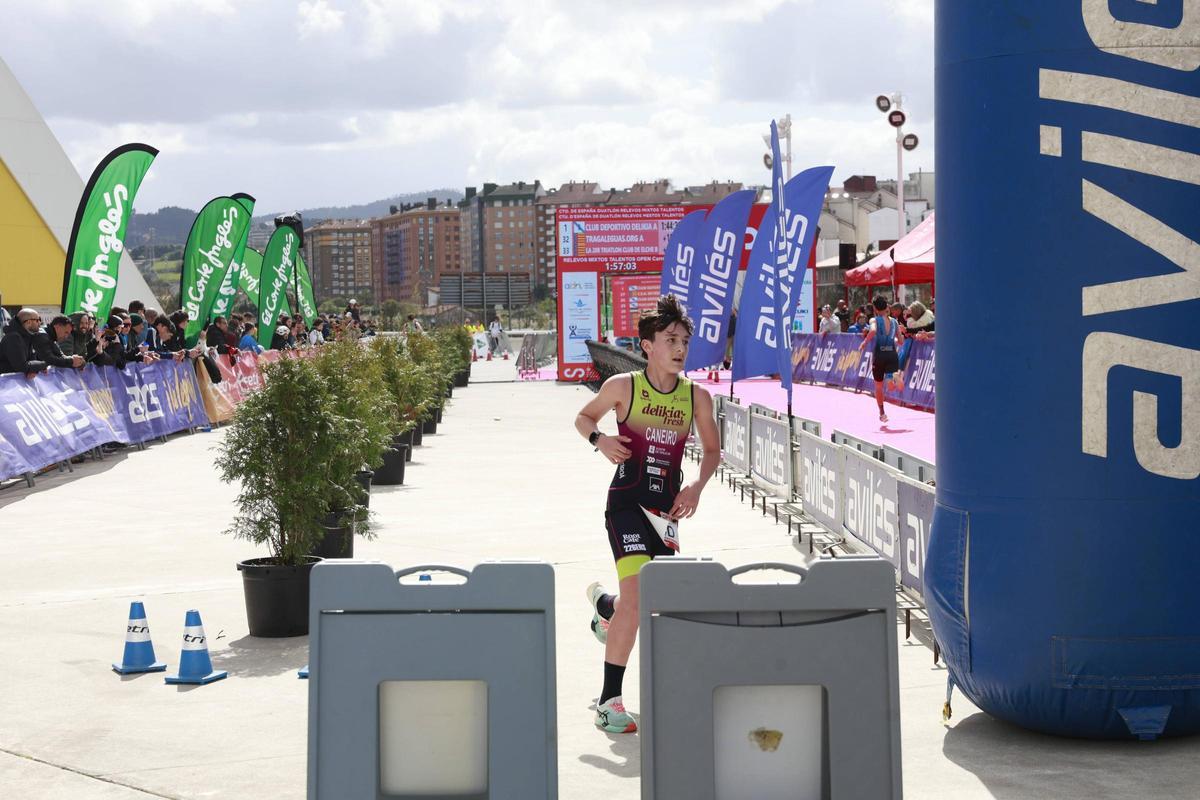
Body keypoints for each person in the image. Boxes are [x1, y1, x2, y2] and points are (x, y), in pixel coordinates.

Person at [574, 294, 720, 734]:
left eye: (684, 341)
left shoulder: (697, 397)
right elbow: (583, 418)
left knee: (642, 600)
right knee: (638, 600)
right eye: (670, 339)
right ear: (647, 346)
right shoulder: (623, 388)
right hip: (625, 505)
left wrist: (696, 485)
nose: (679, 349)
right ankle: (609, 702)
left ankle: (607, 608)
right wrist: (599, 440)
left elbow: (712, 450)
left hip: (665, 511)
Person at [858, 295, 905, 423]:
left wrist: (864, 342)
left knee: (878, 386)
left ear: (875, 308)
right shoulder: (894, 322)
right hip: (892, 354)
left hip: (879, 355)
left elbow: (872, 331)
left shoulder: (875, 319)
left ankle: (882, 413)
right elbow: (901, 342)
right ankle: (893, 378)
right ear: (887, 307)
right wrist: (900, 332)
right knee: (890, 386)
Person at [0, 309, 49, 375]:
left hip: (14, 383)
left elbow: (31, 361)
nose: (40, 323)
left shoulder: (28, 336)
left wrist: (34, 369)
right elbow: (21, 366)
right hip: (5, 383)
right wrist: (45, 364)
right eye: (37, 320)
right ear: (28, 322)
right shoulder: (13, 337)